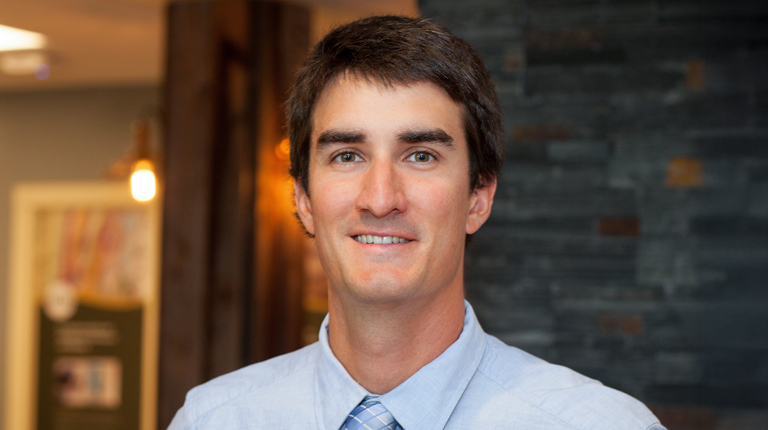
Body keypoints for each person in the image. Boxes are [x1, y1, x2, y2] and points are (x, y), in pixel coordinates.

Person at [168, 16, 666, 430]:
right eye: (346, 155)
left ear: (478, 197)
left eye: (421, 155)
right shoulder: (214, 420)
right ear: (302, 198)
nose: (381, 199)